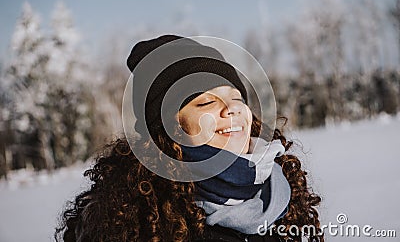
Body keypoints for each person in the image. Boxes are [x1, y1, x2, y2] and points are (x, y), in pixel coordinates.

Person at [55, 35, 324, 242]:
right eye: (206, 102)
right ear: (170, 129)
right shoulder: (137, 221)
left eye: (236, 98)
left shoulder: (282, 194)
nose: (231, 109)